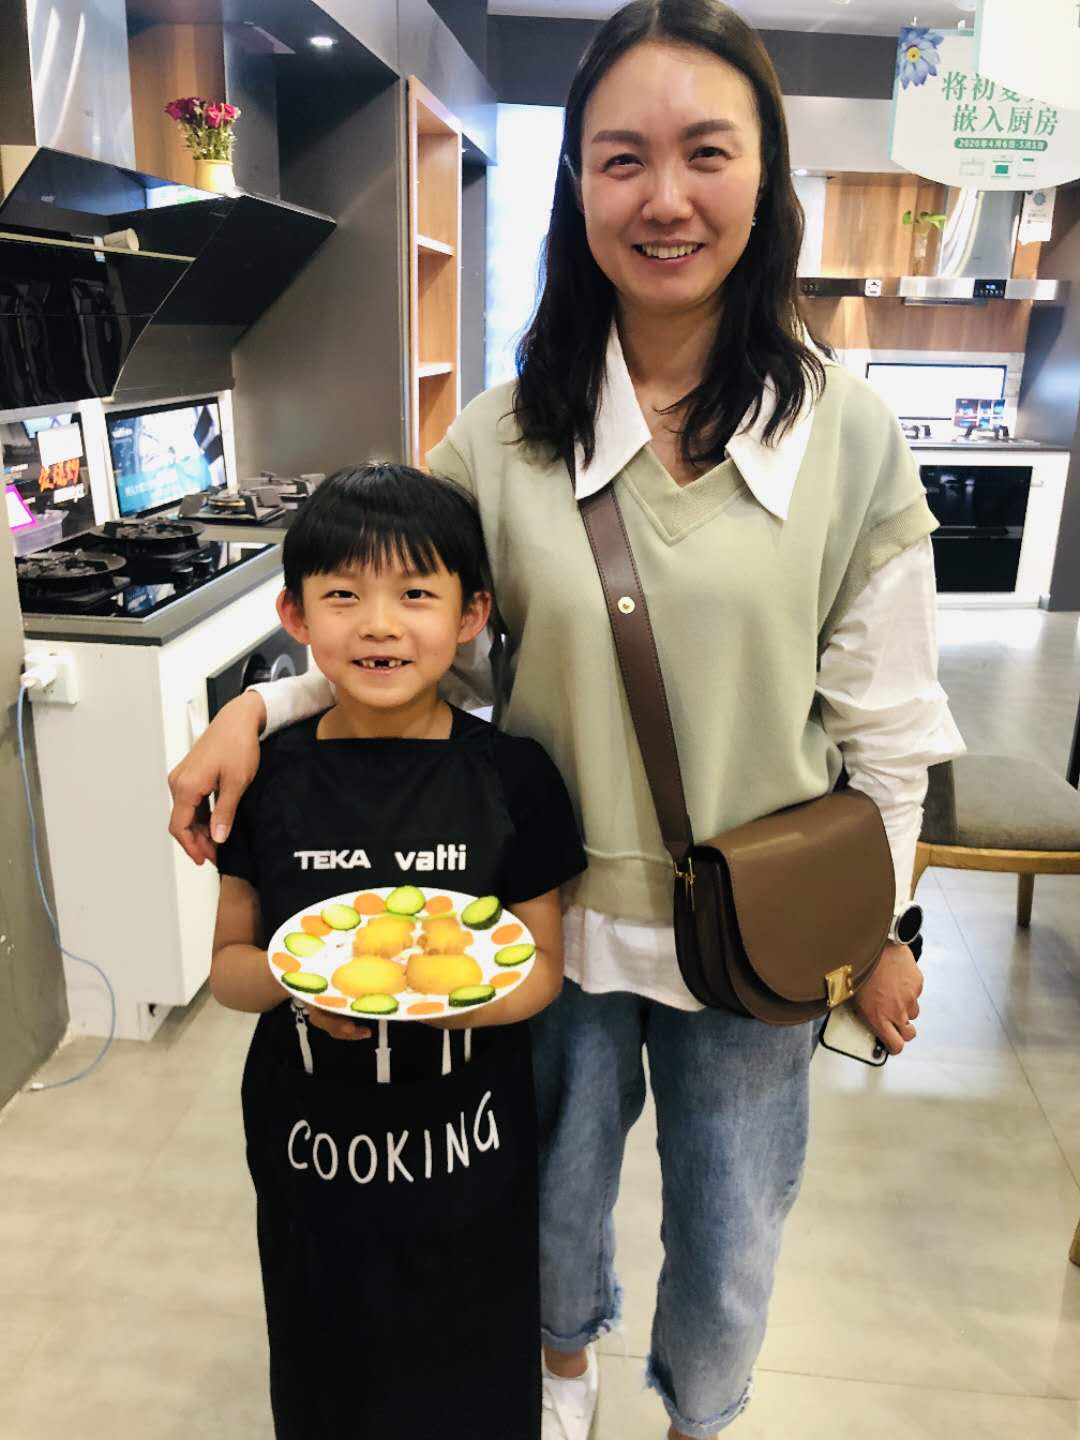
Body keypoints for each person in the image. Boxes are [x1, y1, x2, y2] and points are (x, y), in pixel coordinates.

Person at [172, 3, 966, 1437]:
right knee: (547, 1213)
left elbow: (894, 734)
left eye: (707, 153)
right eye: (622, 159)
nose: (665, 198)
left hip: (758, 934)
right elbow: (414, 631)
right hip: (547, 916)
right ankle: (562, 1393)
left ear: (767, 177)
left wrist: (882, 932)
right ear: (578, 184)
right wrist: (268, 705)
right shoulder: (497, 434)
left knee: (730, 1240)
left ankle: (700, 1419)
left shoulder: (850, 436)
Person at [209, 463, 587, 1440]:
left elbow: (542, 969)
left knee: (468, 1378)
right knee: (328, 1374)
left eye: (416, 594)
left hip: (470, 1157)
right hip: (311, 1158)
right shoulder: (268, 779)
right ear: (295, 617)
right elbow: (230, 969)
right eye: (343, 596)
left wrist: (440, 1000)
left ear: (472, 616)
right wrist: (303, 986)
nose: (379, 625)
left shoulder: (513, 778)